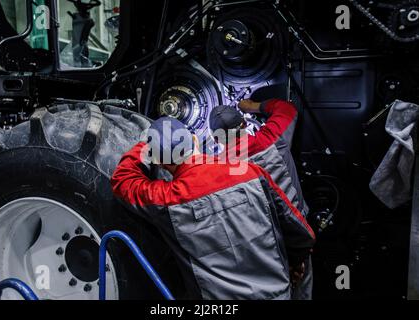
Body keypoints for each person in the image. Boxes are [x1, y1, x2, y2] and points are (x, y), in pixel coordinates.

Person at [111, 116, 315, 299]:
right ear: (194, 140)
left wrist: (144, 145)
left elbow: (122, 180)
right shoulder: (252, 173)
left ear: (160, 164)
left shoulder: (168, 199)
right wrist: (295, 263)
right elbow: (301, 233)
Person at [209, 99, 312, 299]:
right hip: (299, 233)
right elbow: (287, 109)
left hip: (260, 245)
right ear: (245, 125)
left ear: (217, 140)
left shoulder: (217, 168)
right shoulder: (272, 138)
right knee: (302, 289)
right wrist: (253, 106)